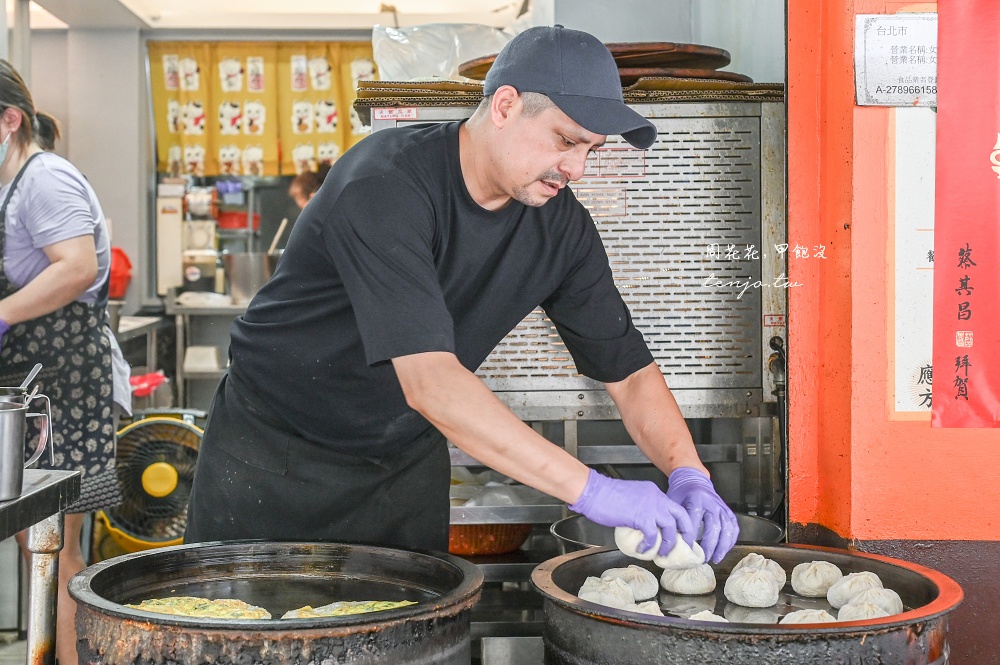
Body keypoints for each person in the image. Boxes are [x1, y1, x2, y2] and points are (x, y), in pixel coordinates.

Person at [186, 26, 739, 564]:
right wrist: (595, 492)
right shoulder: (385, 184)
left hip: (402, 466)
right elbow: (432, 383)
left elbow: (630, 370)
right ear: (504, 106)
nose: (576, 168)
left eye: (591, 150)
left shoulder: (560, 228)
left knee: (406, 640)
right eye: (566, 140)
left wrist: (688, 472)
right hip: (274, 454)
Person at [0, 60, 128, 665]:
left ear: (10, 119)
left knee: (54, 547)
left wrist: (1, 316)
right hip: (28, 379)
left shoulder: (45, 178)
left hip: (63, 381)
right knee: (37, 546)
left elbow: (77, 266)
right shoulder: (11, 182)